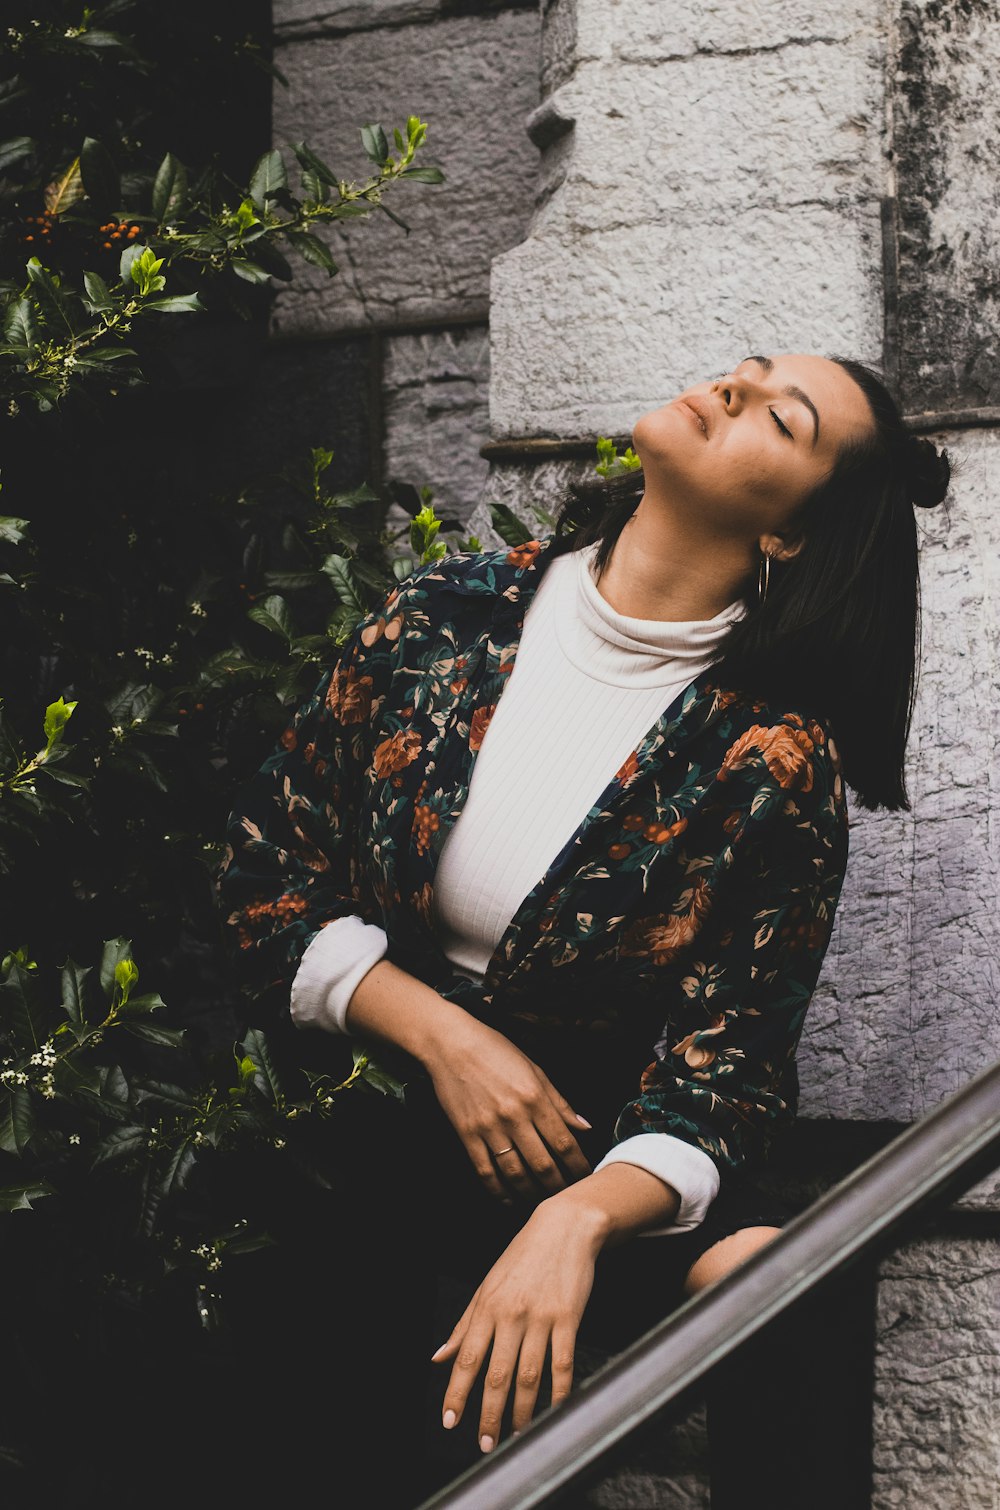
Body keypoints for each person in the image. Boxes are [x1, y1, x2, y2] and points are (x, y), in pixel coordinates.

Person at [217, 352, 951, 1508]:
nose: (728, 390)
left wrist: (579, 1217)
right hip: (375, 1102)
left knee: (781, 1280)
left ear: (791, 537)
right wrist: (442, 1035)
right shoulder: (450, 614)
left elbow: (728, 1068)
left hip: (602, 1150)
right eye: (744, 371)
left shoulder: (772, 756)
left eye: (780, 418)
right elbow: (263, 870)